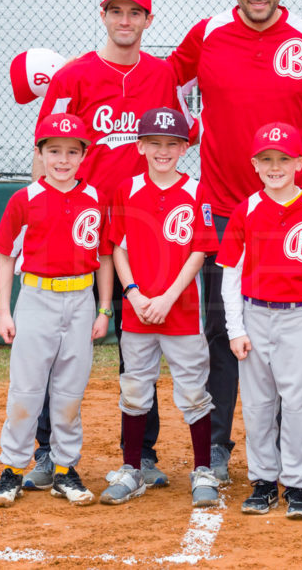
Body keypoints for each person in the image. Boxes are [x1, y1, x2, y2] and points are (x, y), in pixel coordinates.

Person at [166, 0, 302, 482]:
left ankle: (286, 456)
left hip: (296, 211)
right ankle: (221, 447)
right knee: (227, 328)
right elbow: (168, 85)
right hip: (226, 206)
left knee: (296, 330)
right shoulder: (207, 33)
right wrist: (193, 133)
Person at [27, 0, 180, 491]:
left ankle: (142, 455)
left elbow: (170, 144)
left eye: (135, 13)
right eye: (117, 10)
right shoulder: (74, 75)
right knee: (56, 347)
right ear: (104, 14)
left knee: (139, 347)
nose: (125, 21)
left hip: (139, 233)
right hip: (80, 233)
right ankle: (48, 453)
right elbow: (46, 154)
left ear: (148, 21)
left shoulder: (160, 76)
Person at [0, 112, 113, 508]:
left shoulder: (95, 198)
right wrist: (5, 313)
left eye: (72, 152)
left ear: (83, 156)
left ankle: (64, 470)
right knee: (26, 388)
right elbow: (6, 257)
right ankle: (12, 469)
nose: (63, 159)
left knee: (70, 390)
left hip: (81, 300)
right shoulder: (25, 200)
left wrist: (104, 308)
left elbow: (105, 258)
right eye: (54, 151)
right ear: (40, 154)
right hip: (37, 299)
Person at [100, 106, 221, 508]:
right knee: (134, 388)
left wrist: (168, 297)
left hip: (181, 311)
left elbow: (200, 251)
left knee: (193, 391)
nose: (162, 151)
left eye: (171, 144)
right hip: (138, 309)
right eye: (154, 143)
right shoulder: (127, 189)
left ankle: (203, 468)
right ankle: (132, 468)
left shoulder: (195, 190)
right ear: (140, 146)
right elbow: (118, 248)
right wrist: (133, 293)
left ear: (184, 147)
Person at [217, 122, 302, 519]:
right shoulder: (246, 209)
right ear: (254, 164)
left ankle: (298, 483)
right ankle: (264, 481)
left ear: (300, 162)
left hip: (299, 316)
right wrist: (236, 329)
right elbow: (230, 274)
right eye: (267, 159)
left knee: (298, 403)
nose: (275, 166)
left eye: (284, 158)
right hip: (255, 314)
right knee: (258, 404)